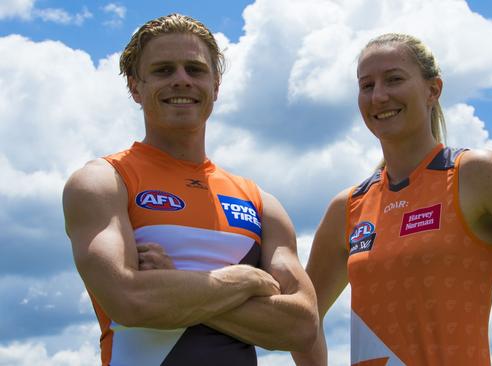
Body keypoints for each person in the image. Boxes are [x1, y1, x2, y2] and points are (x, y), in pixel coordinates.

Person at [291, 33, 492, 366]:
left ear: (433, 90)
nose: (379, 96)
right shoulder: (348, 207)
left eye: (394, 79)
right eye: (366, 85)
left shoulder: (475, 174)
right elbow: (302, 319)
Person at [62, 14, 318, 366]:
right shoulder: (104, 181)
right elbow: (129, 300)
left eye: (194, 70)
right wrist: (244, 279)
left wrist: (174, 284)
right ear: (136, 87)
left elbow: (302, 325)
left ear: (216, 85)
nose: (181, 80)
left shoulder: (260, 203)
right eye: (164, 70)